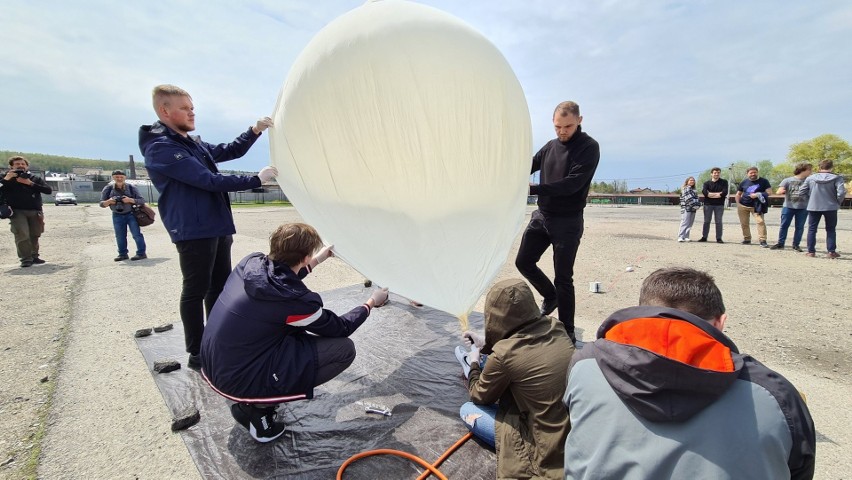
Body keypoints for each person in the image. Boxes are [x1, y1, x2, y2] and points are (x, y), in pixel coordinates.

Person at [562, 267, 815, 480]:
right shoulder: (774, 394)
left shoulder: (586, 364)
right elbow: (798, 467)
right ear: (720, 322)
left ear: (643, 312)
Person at [200, 223, 389, 443]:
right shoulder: (296, 303)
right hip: (237, 379)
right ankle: (260, 408)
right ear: (304, 257)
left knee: (288, 332)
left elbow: (280, 280)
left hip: (213, 363)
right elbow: (340, 328)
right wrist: (370, 303)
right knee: (344, 349)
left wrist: (318, 259)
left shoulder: (250, 264)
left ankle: (257, 397)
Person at [138, 84, 279, 370]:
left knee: (219, 287)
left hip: (215, 225)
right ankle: (197, 352)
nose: (191, 114)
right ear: (164, 111)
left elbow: (229, 151)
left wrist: (254, 131)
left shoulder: (191, 143)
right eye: (184, 109)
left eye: (192, 109)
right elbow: (208, 180)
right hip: (193, 229)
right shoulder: (162, 148)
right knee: (195, 289)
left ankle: (217, 339)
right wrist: (256, 179)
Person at [457, 279, 572, 479]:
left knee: (467, 410)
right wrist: (486, 344)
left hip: (544, 445)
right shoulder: (556, 326)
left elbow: (479, 395)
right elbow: (524, 347)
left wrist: (475, 363)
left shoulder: (503, 355)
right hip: (571, 433)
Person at [515, 101, 600, 343]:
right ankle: (549, 296)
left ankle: (567, 330)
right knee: (523, 262)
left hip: (568, 220)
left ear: (579, 121)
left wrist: (535, 188)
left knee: (563, 277)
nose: (562, 131)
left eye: (568, 126)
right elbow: (529, 164)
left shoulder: (589, 147)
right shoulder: (551, 146)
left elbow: (573, 184)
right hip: (542, 216)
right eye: (557, 127)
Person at [1, 156, 53, 267]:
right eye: (17, 164)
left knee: (35, 234)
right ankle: (25, 259)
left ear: (27, 166)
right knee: (22, 234)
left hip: (35, 210)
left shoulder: (33, 178)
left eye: (22, 164)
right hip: (17, 211)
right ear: (11, 166)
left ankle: (34, 256)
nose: (20, 166)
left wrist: (30, 183)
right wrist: (6, 179)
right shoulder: (5, 178)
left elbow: (48, 190)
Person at [798, 159, 846, 259]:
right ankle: (831, 252)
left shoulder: (811, 178)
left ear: (819, 167)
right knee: (831, 229)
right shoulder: (837, 178)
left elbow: (801, 191)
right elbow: (841, 192)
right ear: (831, 167)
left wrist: (810, 200)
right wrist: (838, 202)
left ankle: (811, 251)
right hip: (831, 207)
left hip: (814, 206)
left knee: (812, 229)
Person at [100, 170, 147, 261]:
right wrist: (108, 202)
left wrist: (130, 200)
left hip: (131, 214)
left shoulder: (131, 187)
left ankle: (141, 253)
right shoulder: (108, 188)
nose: (119, 179)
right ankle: (122, 254)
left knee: (137, 234)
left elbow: (141, 201)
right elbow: (101, 203)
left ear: (125, 177)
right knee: (120, 236)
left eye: (121, 177)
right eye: (117, 177)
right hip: (117, 215)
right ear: (113, 177)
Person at [770, 162, 812, 252]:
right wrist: (781, 191)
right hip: (788, 207)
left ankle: (796, 245)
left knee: (800, 227)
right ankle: (780, 243)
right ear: (803, 170)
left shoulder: (810, 181)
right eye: (809, 169)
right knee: (784, 225)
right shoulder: (787, 180)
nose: (811, 171)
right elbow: (778, 191)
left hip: (803, 207)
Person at [735, 166, 772, 247]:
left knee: (760, 222)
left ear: (757, 172)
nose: (753, 174)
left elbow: (769, 192)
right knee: (744, 223)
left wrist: (758, 194)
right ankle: (747, 239)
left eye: (755, 172)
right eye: (751, 173)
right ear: (747, 174)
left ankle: (763, 240)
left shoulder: (764, 181)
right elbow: (738, 194)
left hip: (757, 206)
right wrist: (738, 204)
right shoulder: (744, 182)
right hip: (743, 205)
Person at [698, 167, 728, 243]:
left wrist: (711, 194)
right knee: (706, 221)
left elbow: (724, 193)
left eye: (718, 173)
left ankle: (719, 238)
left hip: (719, 205)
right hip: (708, 205)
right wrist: (718, 194)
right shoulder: (706, 183)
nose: (716, 174)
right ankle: (704, 237)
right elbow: (705, 193)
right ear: (711, 174)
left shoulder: (724, 182)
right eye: (715, 173)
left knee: (718, 221)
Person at [677, 176, 700, 242]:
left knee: (690, 223)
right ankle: (681, 236)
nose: (692, 181)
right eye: (690, 180)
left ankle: (686, 236)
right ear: (687, 181)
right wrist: (696, 206)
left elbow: (697, 199)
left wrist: (697, 205)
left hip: (693, 209)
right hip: (686, 208)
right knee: (685, 222)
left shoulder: (694, 190)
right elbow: (688, 199)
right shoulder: (686, 189)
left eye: (693, 180)